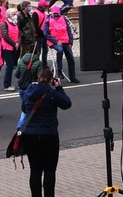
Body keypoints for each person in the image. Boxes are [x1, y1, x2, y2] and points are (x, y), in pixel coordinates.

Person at [21, 68, 72, 197]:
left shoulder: (28, 92)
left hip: (30, 135)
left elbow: (24, 108)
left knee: (35, 171)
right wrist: (59, 88)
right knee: (49, 171)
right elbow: (67, 104)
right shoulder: (51, 93)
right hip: (49, 135)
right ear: (51, 81)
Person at [44, 6, 80, 84]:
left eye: (57, 14)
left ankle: (72, 77)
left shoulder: (63, 19)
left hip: (65, 41)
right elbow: (46, 34)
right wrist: (55, 41)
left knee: (71, 59)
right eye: (55, 14)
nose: (56, 15)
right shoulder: (48, 20)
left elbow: (69, 31)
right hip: (55, 41)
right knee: (60, 50)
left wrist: (70, 42)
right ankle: (59, 70)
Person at [0, 9, 21, 90]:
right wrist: (14, 43)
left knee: (14, 65)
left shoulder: (15, 24)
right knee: (10, 65)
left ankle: (20, 82)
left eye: (15, 14)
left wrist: (18, 42)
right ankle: (7, 85)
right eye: (13, 14)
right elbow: (5, 36)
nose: (15, 15)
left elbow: (19, 34)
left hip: (15, 47)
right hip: (7, 47)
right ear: (8, 15)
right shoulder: (4, 24)